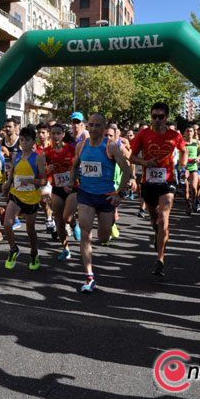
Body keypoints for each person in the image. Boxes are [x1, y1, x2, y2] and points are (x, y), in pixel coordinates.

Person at [71, 114, 134, 293]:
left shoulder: (111, 147)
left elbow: (127, 169)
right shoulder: (81, 145)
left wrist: (119, 194)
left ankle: (107, 230)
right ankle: (89, 276)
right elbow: (75, 165)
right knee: (85, 232)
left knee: (103, 237)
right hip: (86, 195)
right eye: (90, 125)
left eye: (98, 125)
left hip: (106, 197)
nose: (93, 128)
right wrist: (71, 181)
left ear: (104, 127)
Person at [130, 102, 186, 276]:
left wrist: (182, 166)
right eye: (154, 116)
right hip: (148, 182)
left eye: (160, 117)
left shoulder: (175, 135)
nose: (157, 120)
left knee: (163, 219)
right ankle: (157, 234)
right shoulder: (143, 134)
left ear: (166, 117)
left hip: (167, 182)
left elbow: (183, 151)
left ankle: (160, 259)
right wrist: (144, 163)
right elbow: (130, 156)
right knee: (155, 220)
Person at [2, 124, 46, 271]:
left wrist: (32, 181)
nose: (23, 143)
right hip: (16, 194)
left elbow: (44, 181)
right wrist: (7, 184)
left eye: (27, 140)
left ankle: (34, 253)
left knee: (30, 229)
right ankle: (14, 249)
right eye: (21, 140)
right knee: (7, 224)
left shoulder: (38, 158)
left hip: (32, 198)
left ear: (33, 142)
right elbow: (12, 174)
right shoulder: (15, 156)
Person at [45, 122, 80, 261]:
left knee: (67, 217)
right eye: (53, 133)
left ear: (63, 135)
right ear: (50, 135)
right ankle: (65, 249)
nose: (55, 136)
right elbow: (42, 171)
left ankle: (74, 223)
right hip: (57, 188)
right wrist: (47, 170)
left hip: (72, 188)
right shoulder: (47, 152)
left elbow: (77, 167)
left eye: (58, 133)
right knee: (59, 222)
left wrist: (71, 182)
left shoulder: (71, 149)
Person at [182, 127, 200, 216]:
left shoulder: (196, 142)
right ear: (185, 133)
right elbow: (179, 154)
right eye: (187, 131)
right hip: (185, 167)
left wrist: (198, 158)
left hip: (194, 167)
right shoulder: (182, 142)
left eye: (191, 131)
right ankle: (188, 205)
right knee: (186, 189)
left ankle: (193, 202)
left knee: (194, 188)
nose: (189, 132)